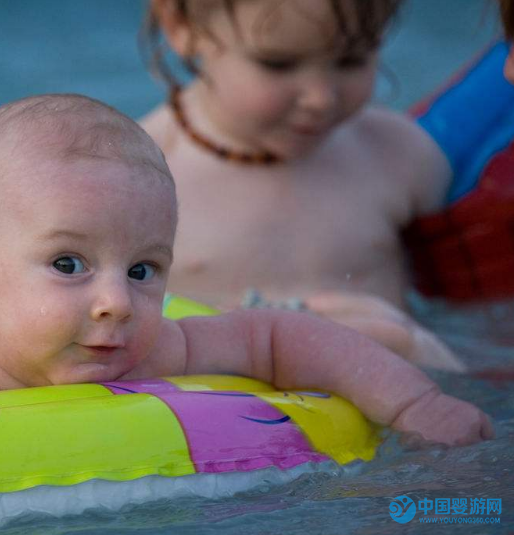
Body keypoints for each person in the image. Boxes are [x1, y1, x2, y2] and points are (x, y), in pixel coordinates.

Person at [0, 94, 491, 447]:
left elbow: (291, 338)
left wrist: (418, 402)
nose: (117, 302)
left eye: (146, 269)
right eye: (68, 263)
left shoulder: (156, 349)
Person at [139, 0, 466, 372]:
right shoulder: (139, 177)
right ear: (181, 27)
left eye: (351, 61)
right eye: (278, 64)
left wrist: (419, 349)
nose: (320, 98)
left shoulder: (402, 157)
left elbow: (469, 308)